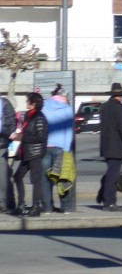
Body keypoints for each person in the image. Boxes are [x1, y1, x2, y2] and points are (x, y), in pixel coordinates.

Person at [98, 83, 122, 211]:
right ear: (120, 96)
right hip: (116, 148)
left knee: (110, 174)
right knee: (113, 176)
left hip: (106, 146)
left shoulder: (104, 107)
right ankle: (109, 203)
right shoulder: (119, 109)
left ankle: (107, 201)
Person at [13, 93, 49, 216]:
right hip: (27, 152)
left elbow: (40, 137)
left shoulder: (39, 117)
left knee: (35, 180)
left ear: (34, 103)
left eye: (28, 101)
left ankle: (36, 206)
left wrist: (22, 137)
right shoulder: (28, 115)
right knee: (17, 177)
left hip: (35, 152)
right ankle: (21, 204)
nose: (26, 103)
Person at [43, 84, 75, 213]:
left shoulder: (44, 107)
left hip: (45, 147)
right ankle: (66, 207)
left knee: (45, 179)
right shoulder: (67, 109)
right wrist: (67, 149)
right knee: (64, 177)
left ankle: (47, 208)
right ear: (64, 97)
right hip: (61, 148)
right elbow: (69, 131)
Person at [2, 95, 17, 214]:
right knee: (5, 174)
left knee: (3, 174)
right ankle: (8, 202)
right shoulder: (5, 103)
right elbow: (12, 122)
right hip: (3, 142)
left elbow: (12, 123)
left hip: (1, 142)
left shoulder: (4, 103)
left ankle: (3, 202)